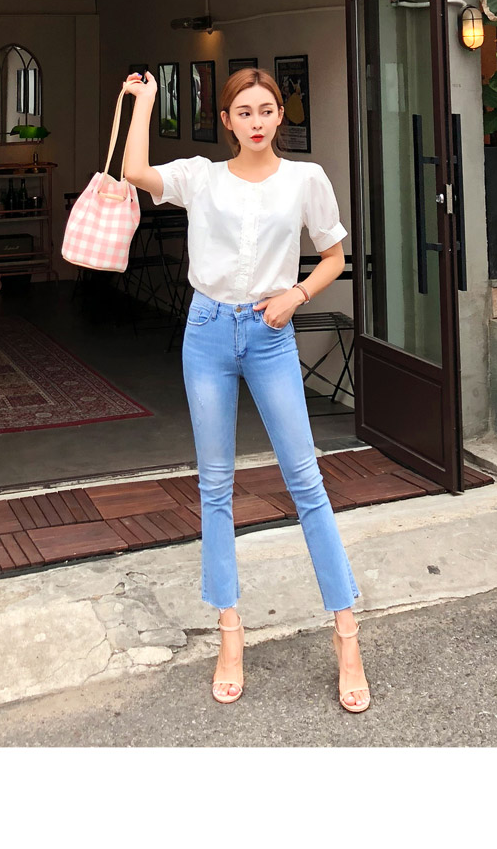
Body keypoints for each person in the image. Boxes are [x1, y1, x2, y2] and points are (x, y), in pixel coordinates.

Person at [123, 66, 370, 714]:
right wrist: (145, 102)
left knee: (307, 481)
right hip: (206, 331)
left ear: (279, 116)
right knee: (215, 486)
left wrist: (297, 294)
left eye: (266, 110)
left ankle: (346, 634)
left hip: (270, 332)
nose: (256, 121)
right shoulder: (201, 177)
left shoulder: (305, 180)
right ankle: (230, 632)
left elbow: (336, 256)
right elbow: (135, 172)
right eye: (244, 112)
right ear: (227, 121)